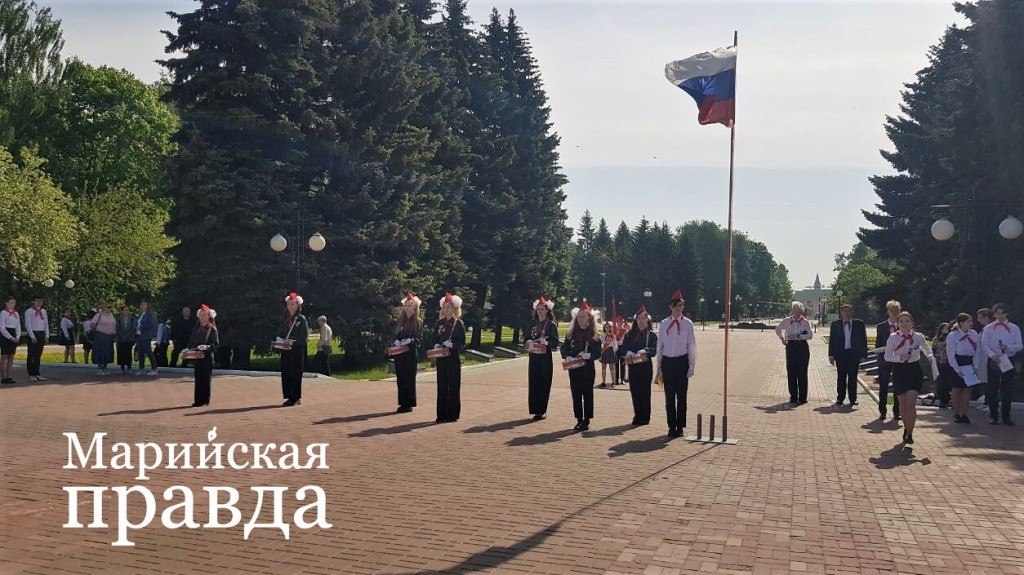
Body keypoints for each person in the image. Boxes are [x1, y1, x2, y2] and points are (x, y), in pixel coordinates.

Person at [884, 311, 938, 444]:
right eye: (901, 321)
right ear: (897, 324)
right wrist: (900, 358)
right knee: (903, 404)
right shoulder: (893, 337)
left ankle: (910, 433)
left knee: (911, 403)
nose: (904, 324)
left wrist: (930, 357)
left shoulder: (918, 337)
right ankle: (906, 427)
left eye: (907, 321)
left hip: (914, 370)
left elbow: (926, 349)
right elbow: (887, 355)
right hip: (899, 370)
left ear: (912, 323)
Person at [657, 290, 697, 437]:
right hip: (668, 362)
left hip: (681, 362)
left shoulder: (688, 324)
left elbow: (692, 345)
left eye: (680, 305)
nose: (678, 308)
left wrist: (692, 365)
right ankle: (671, 426)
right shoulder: (663, 324)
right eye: (676, 306)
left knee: (681, 397)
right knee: (669, 397)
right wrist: (659, 367)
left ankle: (680, 426)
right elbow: (660, 345)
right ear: (670, 307)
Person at [560, 300, 601, 431]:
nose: (581, 319)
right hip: (574, 368)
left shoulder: (594, 335)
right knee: (576, 394)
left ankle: (587, 419)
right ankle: (579, 419)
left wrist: (588, 355)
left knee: (587, 394)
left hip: (587, 368)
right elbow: (564, 348)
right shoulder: (571, 333)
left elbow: (597, 353)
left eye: (584, 316)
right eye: (579, 316)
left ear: (589, 318)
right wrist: (567, 356)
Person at [980, 303, 1021, 426]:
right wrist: (992, 355)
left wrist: (1008, 347)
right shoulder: (989, 328)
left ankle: (1006, 416)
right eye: (997, 313)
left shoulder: (1014, 328)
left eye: (1002, 313)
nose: (999, 315)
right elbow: (984, 344)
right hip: (994, 359)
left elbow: (1019, 345)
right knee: (992, 388)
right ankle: (993, 415)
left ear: (1006, 314)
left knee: (1007, 389)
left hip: (1008, 359)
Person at [619, 305, 658, 426]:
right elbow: (623, 348)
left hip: (645, 367)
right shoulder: (629, 335)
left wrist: (646, 351)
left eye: (643, 318)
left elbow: (654, 350)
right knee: (635, 391)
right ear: (636, 320)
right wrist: (627, 352)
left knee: (645, 392)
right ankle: (637, 414)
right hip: (633, 367)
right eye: (639, 318)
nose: (641, 321)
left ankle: (645, 416)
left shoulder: (651, 335)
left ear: (647, 320)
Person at [433, 293, 467, 422]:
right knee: (442, 385)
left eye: (449, 307)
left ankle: (452, 414)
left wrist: (453, 345)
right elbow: (434, 338)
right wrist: (436, 344)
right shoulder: (439, 323)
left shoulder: (459, 323)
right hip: (441, 358)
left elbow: (462, 343)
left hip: (453, 358)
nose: (446, 309)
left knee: (453, 386)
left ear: (454, 309)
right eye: (445, 307)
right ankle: (441, 414)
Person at [827, 304, 868, 406]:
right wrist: (831, 355)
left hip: (854, 354)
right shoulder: (836, 324)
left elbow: (863, 340)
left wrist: (863, 355)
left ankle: (853, 399)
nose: (846, 313)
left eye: (848, 311)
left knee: (853, 377)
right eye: (844, 311)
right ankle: (840, 397)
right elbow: (832, 340)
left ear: (852, 312)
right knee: (841, 376)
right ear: (841, 312)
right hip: (841, 354)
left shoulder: (859, 324)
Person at [526, 295, 559, 420]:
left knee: (544, 383)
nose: (540, 311)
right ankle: (535, 410)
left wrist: (547, 343)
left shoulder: (551, 325)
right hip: (534, 356)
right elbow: (526, 338)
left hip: (545, 358)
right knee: (534, 382)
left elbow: (556, 343)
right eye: (538, 309)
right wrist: (528, 341)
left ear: (547, 311)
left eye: (542, 309)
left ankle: (542, 410)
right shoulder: (532, 324)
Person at [947, 313, 983, 424]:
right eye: (968, 321)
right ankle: (956, 413)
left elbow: (978, 351)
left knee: (968, 389)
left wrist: (975, 366)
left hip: (969, 362)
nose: (971, 323)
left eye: (971, 321)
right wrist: (957, 370)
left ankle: (965, 414)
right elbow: (950, 354)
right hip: (957, 362)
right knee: (957, 389)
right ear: (961, 323)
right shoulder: (953, 335)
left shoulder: (974, 334)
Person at [776, 301, 812, 405]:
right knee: (791, 371)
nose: (797, 313)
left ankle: (803, 397)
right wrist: (782, 338)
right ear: (793, 311)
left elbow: (809, 335)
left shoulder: (805, 322)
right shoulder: (787, 321)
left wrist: (798, 336)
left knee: (802, 372)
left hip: (802, 346)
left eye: (799, 311)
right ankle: (793, 396)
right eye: (796, 310)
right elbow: (778, 329)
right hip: (791, 346)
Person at [392, 292, 423, 413]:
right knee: (401, 378)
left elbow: (419, 338)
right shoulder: (400, 321)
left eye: (410, 305)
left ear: (415, 307)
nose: (407, 308)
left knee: (409, 378)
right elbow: (394, 334)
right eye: (405, 305)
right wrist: (396, 341)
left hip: (410, 352)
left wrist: (410, 340)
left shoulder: (418, 322)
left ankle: (409, 404)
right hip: (400, 353)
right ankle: (402, 402)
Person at [277, 292, 309, 406]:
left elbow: (304, 337)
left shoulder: (301, 319)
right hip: (285, 350)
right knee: (286, 373)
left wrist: (294, 343)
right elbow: (280, 333)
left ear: (297, 305)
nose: (291, 306)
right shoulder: (285, 319)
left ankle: (296, 397)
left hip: (296, 351)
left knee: (295, 373)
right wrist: (279, 341)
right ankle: (289, 396)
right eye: (289, 304)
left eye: (293, 304)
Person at [184, 304, 219, 407]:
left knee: (206, 379)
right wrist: (188, 348)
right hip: (197, 356)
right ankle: (198, 400)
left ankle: (205, 400)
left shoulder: (212, 329)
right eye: (201, 315)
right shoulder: (197, 328)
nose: (202, 317)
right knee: (198, 379)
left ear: (209, 316)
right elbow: (193, 340)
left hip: (207, 357)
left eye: (204, 315)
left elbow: (216, 345)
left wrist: (207, 347)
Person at [874, 300, 902, 421]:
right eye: (892, 311)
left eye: (897, 311)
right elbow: (878, 343)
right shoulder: (881, 326)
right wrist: (880, 356)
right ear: (888, 312)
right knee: (883, 385)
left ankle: (897, 412)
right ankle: (882, 411)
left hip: (899, 359)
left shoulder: (903, 325)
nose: (894, 313)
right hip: (884, 359)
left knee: (898, 385)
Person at [23, 296, 49, 382]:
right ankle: (31, 374)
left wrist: (47, 335)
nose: (39, 302)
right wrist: (32, 336)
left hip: (41, 333)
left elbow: (46, 324)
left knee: (38, 354)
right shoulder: (29, 311)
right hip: (33, 333)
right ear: (33, 302)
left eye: (41, 300)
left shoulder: (43, 311)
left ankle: (37, 373)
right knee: (31, 354)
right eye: (37, 300)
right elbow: (28, 324)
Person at [931, 322, 953, 409]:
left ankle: (949, 399)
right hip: (940, 362)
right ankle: (943, 400)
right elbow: (934, 349)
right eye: (945, 327)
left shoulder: (951, 337)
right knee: (941, 382)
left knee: (949, 381)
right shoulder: (937, 339)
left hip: (949, 362)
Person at [134, 300, 159, 375]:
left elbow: (151, 324)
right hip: (139, 335)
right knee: (140, 352)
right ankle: (141, 369)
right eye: (141, 304)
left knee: (148, 351)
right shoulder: (140, 314)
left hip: (146, 336)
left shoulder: (150, 314)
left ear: (147, 306)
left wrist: (140, 327)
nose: (142, 306)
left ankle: (154, 368)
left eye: (144, 304)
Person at [91, 305, 117, 375]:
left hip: (110, 336)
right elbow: (93, 324)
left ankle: (105, 368)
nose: (109, 309)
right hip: (100, 335)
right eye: (107, 307)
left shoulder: (112, 316)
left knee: (107, 352)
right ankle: (99, 368)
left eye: (110, 307)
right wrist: (97, 330)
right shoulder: (98, 315)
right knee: (100, 351)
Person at [974, 307, 993, 401]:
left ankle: (990, 401)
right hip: (982, 358)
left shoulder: (991, 328)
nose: (978, 320)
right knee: (984, 381)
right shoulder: (983, 329)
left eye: (980, 317)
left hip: (988, 358)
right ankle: (986, 401)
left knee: (990, 381)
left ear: (986, 317)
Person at [1, 298, 21, 384]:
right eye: (11, 303)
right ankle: (4, 377)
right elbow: (2, 327)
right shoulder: (3, 313)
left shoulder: (16, 313)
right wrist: (10, 337)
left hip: (13, 333)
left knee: (11, 357)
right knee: (4, 357)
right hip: (5, 335)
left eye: (14, 303)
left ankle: (9, 376)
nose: (13, 305)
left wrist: (17, 336)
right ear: (6, 303)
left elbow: (18, 326)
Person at [115, 305, 136, 375]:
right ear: (122, 311)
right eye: (125, 310)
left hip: (129, 339)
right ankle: (122, 368)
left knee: (128, 353)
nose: (126, 311)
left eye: (127, 310)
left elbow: (133, 329)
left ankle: (129, 367)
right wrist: (119, 337)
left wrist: (128, 335)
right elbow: (117, 329)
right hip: (121, 339)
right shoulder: (119, 319)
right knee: (121, 353)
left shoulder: (132, 319)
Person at [598, 322, 619, 387]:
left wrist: (613, 351)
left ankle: (613, 382)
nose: (607, 328)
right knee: (603, 367)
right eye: (606, 327)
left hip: (610, 351)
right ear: (604, 328)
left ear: (610, 328)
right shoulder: (602, 336)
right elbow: (600, 345)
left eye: (609, 327)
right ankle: (603, 382)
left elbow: (615, 345)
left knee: (611, 368)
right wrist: (601, 348)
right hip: (604, 352)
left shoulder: (613, 336)